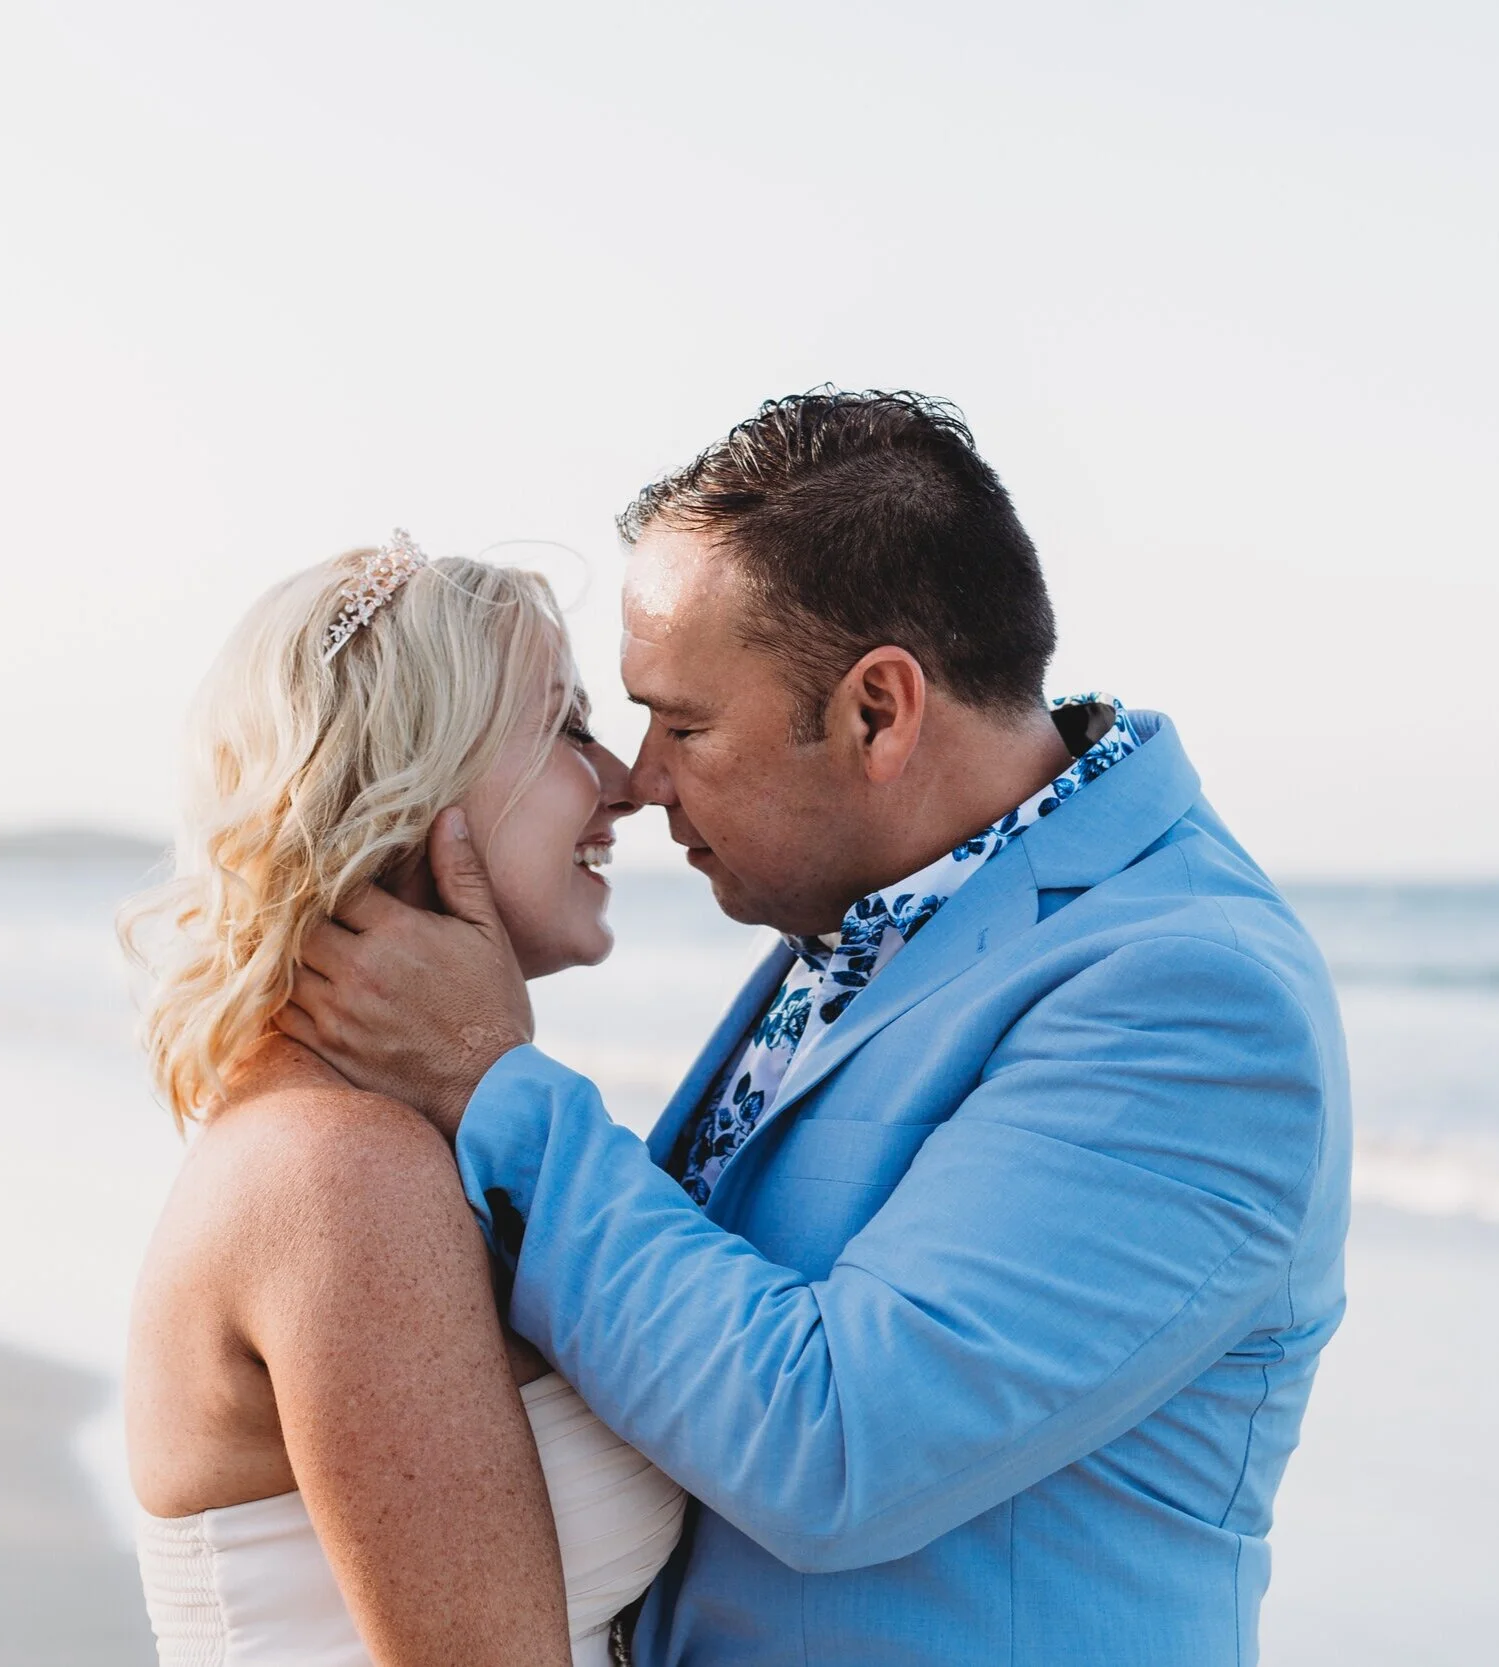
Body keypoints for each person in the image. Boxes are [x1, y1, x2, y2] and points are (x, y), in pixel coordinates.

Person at [279, 392, 1352, 1667]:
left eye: (682, 722)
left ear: (878, 712)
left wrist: (492, 1082)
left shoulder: (1190, 1000)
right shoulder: (867, 909)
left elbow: (836, 1450)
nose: (640, 775)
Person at [120, 537, 684, 1667]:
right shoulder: (335, 1171)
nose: (623, 779)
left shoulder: (377, 1137)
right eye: (566, 726)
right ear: (421, 778)